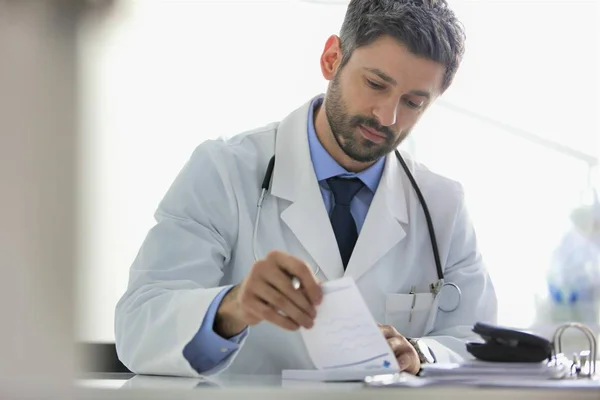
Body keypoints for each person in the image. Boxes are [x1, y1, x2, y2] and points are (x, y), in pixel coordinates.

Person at [115, 0, 497, 378]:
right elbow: (139, 327)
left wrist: (421, 352)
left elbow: (480, 346)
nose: (387, 117)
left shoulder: (441, 205)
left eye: (413, 102)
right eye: (376, 84)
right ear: (332, 59)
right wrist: (230, 308)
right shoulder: (223, 170)